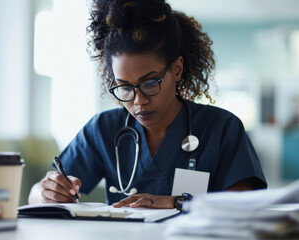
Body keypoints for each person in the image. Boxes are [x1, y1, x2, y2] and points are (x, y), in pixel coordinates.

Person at [28, 0, 267, 209]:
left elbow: (245, 205)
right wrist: (47, 192)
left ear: (177, 69)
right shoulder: (104, 129)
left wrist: (177, 202)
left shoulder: (221, 128)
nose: (138, 100)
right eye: (125, 87)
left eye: (150, 83)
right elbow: (35, 196)